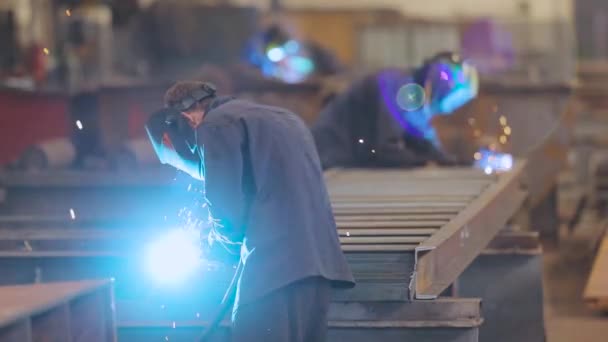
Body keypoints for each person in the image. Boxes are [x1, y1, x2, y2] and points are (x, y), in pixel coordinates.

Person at [145, 81, 355, 341]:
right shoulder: (283, 118)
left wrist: (218, 242)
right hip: (317, 270)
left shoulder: (216, 125)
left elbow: (225, 208)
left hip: (274, 273)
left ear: (187, 119)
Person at [312, 52, 479, 169]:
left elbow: (429, 147)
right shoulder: (395, 85)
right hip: (328, 162)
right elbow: (386, 150)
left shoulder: (415, 102)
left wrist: (460, 163)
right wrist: (426, 162)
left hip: (345, 163)